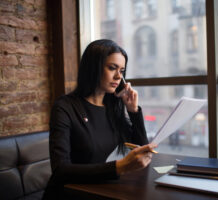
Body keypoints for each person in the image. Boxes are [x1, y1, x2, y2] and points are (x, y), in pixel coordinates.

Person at [43, 39, 157, 199]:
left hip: (102, 190)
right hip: (69, 193)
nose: (118, 76)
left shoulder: (112, 107)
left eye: (122, 71)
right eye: (112, 68)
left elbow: (139, 149)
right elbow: (60, 170)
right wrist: (119, 167)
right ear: (93, 68)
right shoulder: (65, 107)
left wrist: (133, 111)